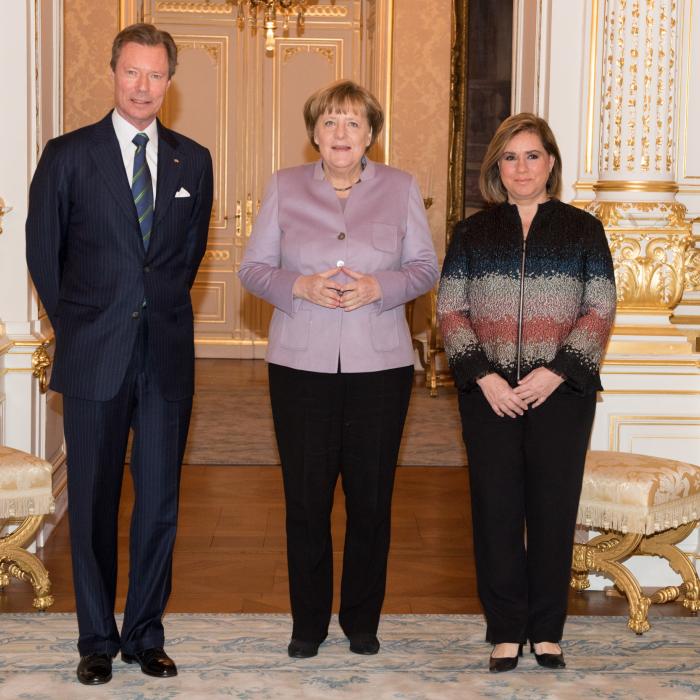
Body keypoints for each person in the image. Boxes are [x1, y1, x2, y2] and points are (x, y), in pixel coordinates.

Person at [26, 23, 213, 685]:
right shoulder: (68, 155)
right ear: (114, 74)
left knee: (159, 502)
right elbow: (44, 257)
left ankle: (144, 634)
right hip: (93, 356)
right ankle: (96, 640)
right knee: (96, 503)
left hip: (164, 356)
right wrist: (80, 326)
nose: (143, 86)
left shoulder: (195, 160)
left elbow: (183, 261)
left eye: (156, 75)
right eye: (132, 72)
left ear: (170, 81)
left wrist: (148, 310)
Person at [239, 80, 438, 659]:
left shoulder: (400, 188)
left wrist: (384, 286)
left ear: (371, 133)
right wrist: (297, 285)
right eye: (330, 123)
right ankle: (308, 623)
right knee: (305, 498)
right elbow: (253, 269)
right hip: (300, 366)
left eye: (353, 123)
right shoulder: (284, 186)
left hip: (381, 367)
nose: (341, 134)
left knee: (371, 499)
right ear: (314, 135)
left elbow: (426, 267)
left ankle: (361, 620)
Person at [437, 113, 616, 672]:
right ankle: (505, 629)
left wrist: (556, 371)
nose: (521, 167)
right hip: (487, 394)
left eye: (532, 156)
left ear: (551, 164)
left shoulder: (583, 229)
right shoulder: (472, 232)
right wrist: (485, 376)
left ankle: (547, 630)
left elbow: (600, 306)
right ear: (497, 168)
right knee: (494, 509)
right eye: (510, 158)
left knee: (552, 510)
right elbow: (450, 308)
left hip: (561, 394)